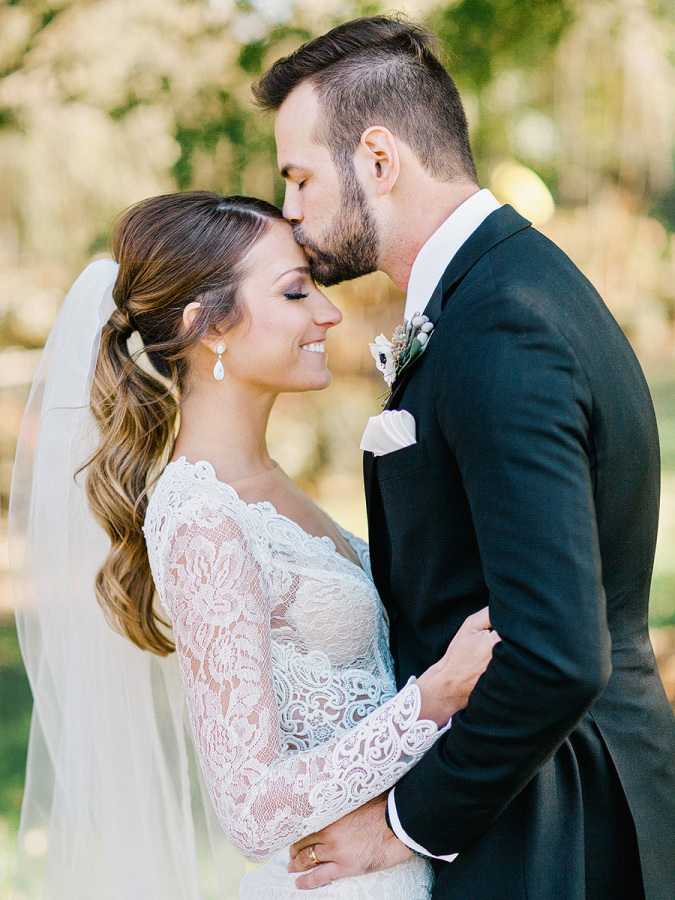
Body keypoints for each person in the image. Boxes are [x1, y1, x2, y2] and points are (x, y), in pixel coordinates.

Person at [252, 15, 675, 900]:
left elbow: (556, 653)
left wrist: (403, 822)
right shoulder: (495, 291)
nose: (288, 209)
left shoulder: (501, 324)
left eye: (298, 177)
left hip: (556, 828)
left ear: (378, 158)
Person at [10, 190, 499, 900]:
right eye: (295, 292)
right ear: (205, 327)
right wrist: (433, 696)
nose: (327, 312)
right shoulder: (202, 520)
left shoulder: (266, 482)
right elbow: (251, 808)